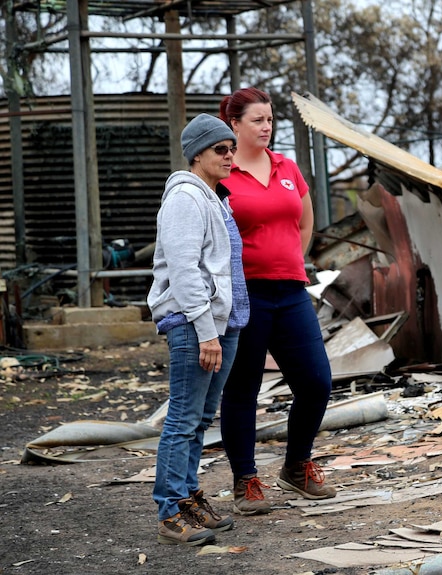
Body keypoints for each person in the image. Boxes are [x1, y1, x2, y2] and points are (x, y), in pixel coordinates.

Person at [218, 87, 336, 516]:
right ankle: (245, 480)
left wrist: (291, 257)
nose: (266, 127)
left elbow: (304, 220)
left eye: (270, 119)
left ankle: (296, 465)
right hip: (244, 295)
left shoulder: (287, 166)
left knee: (316, 382)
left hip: (290, 291)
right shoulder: (221, 174)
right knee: (242, 389)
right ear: (234, 124)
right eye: (257, 120)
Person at [147, 113, 250, 545]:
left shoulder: (213, 196)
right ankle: (171, 512)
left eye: (231, 148)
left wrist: (222, 325)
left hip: (219, 322)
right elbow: (186, 272)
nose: (229, 155)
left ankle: (189, 498)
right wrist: (207, 331)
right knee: (184, 419)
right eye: (219, 150)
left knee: (202, 417)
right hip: (194, 324)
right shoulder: (185, 199)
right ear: (197, 155)